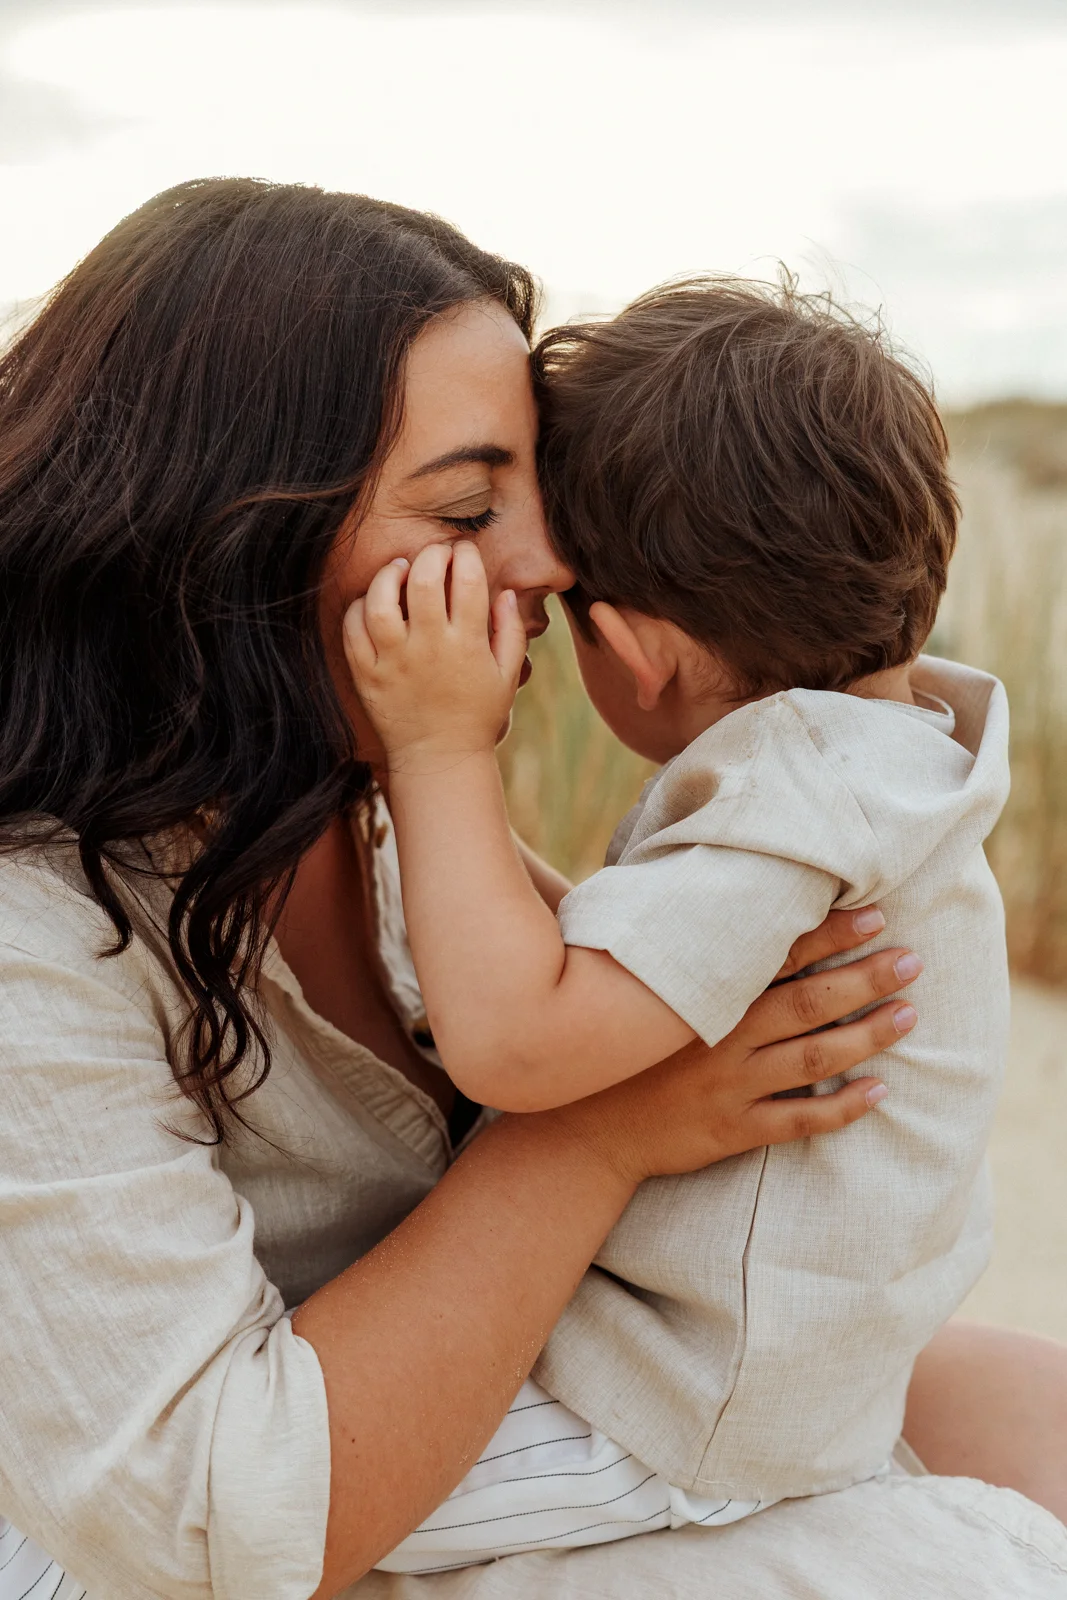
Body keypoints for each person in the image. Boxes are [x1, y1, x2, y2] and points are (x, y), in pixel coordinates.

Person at [0, 178, 1063, 1600]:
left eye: (538, 500)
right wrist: (598, 1137)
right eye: (464, 505)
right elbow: (200, 1515)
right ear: (225, 531)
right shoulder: (37, 921)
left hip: (515, 1405)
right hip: (217, 1533)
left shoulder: (356, 801)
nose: (547, 565)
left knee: (1033, 1415)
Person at [344, 279, 1008, 1571]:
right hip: (763, 1384)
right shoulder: (872, 758)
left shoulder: (793, 799)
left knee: (239, 1517)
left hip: (672, 1418)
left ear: (636, 653)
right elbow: (604, 955)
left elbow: (514, 1047)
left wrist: (435, 756)